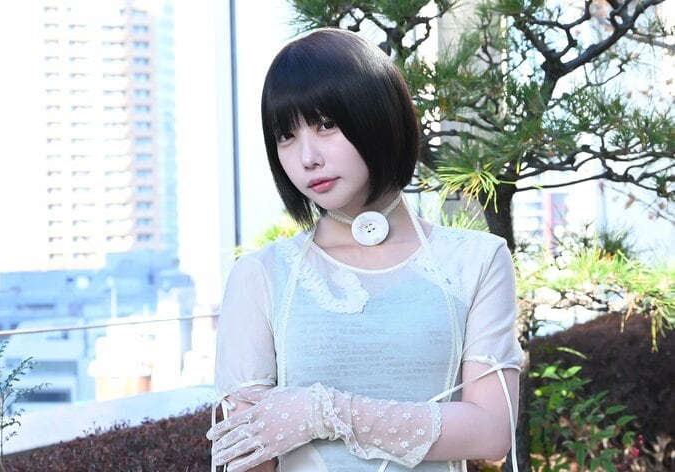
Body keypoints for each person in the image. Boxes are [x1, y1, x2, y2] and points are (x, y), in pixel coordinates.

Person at [206, 28, 523, 472]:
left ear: (379, 115)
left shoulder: (476, 260)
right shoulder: (260, 275)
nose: (307, 157)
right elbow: (248, 459)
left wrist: (324, 413)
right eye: (285, 135)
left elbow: (491, 433)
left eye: (326, 124)